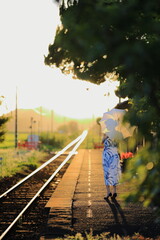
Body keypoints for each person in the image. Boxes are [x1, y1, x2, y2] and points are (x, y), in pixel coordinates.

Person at [102, 133, 121, 200]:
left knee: (110, 173)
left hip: (109, 156)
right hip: (111, 155)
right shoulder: (110, 134)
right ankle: (112, 192)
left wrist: (106, 137)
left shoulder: (109, 134)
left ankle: (110, 192)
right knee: (110, 173)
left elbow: (102, 142)